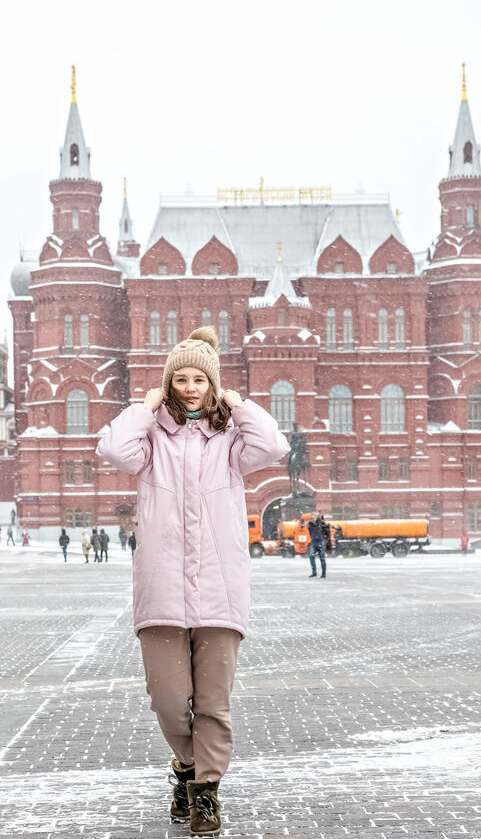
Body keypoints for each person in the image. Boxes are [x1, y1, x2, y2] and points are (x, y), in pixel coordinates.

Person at [96, 326, 288, 836]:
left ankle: (205, 792)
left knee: (213, 702)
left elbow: (273, 444)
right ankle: (185, 766)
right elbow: (113, 449)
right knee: (166, 697)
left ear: (212, 383)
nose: (190, 387)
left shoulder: (231, 443)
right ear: (169, 383)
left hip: (221, 589)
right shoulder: (150, 439)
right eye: (179, 378)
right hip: (161, 587)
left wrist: (236, 401)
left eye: (199, 379)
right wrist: (146, 404)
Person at [306, 513, 325, 578]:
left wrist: (319, 518)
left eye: (313, 518)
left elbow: (323, 524)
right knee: (311, 556)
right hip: (313, 542)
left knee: (322, 558)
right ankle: (314, 572)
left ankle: (323, 574)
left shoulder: (320, 523)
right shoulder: (309, 525)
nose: (312, 519)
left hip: (320, 542)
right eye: (311, 518)